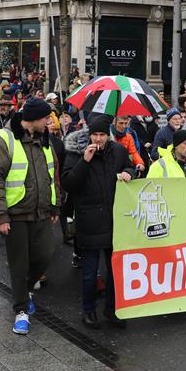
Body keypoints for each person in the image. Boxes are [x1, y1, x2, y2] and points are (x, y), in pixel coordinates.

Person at [0, 98, 60, 334]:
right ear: (35, 118)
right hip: (15, 213)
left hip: (42, 211)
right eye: (46, 118)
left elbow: (52, 175)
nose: (49, 122)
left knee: (45, 255)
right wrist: (0, 216)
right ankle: (21, 310)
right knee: (19, 264)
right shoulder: (5, 138)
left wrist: (54, 206)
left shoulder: (44, 139)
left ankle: (24, 291)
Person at [61, 117, 133, 330]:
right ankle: (89, 310)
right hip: (89, 219)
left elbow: (130, 165)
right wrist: (85, 161)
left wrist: (130, 172)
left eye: (102, 135)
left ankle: (112, 310)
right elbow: (69, 182)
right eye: (95, 135)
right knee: (90, 272)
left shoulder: (118, 151)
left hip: (114, 219)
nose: (99, 139)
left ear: (108, 135)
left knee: (114, 271)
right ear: (89, 135)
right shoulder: (76, 152)